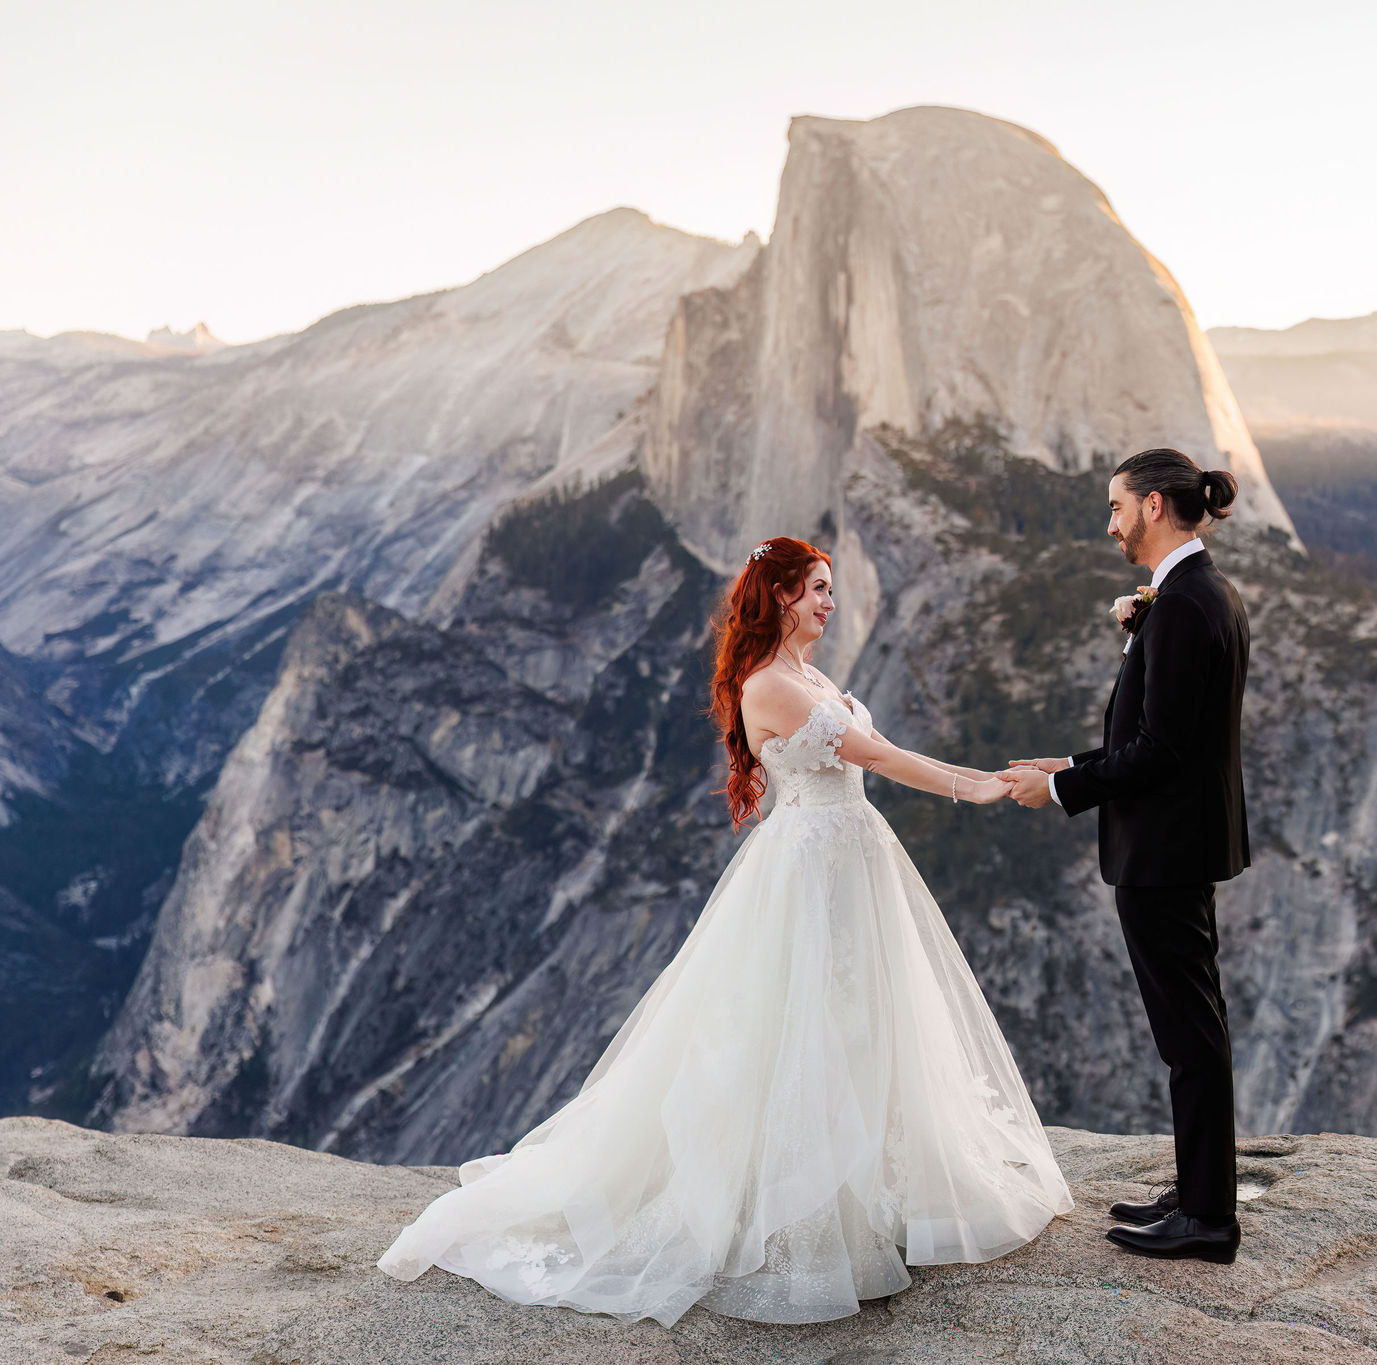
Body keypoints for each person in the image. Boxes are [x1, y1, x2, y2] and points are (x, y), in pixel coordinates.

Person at [378, 536, 1073, 1325]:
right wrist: (977, 787)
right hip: (809, 872)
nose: (829, 601)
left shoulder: (809, 675)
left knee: (864, 1017)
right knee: (801, 1023)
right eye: (816, 588)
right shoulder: (771, 686)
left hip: (851, 863)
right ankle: (809, 1203)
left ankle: (873, 1184)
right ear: (779, 595)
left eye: (830, 588)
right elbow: (872, 753)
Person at [1005, 447, 1251, 1265]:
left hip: (1165, 851)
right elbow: (1154, 737)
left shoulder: (1181, 606)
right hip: (1178, 843)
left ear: (1152, 505)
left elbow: (1161, 751)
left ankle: (1209, 1218)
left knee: (1189, 1035)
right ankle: (1200, 1186)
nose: (1109, 524)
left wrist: (1067, 791)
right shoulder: (1194, 592)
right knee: (1193, 1027)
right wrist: (1068, 764)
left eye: (1115, 507)